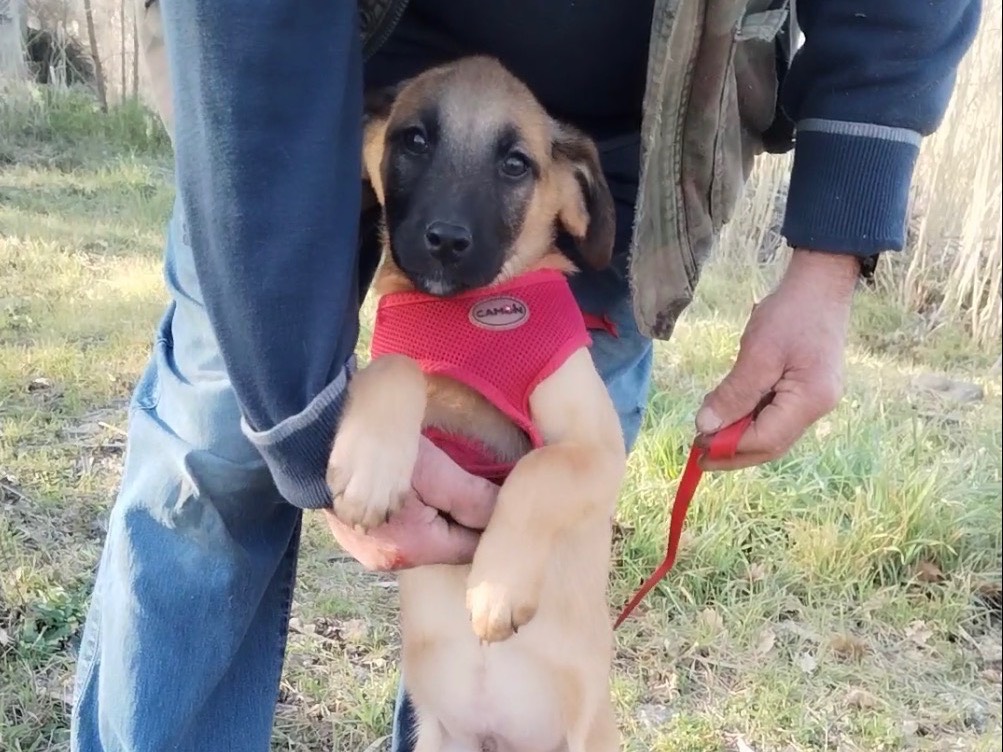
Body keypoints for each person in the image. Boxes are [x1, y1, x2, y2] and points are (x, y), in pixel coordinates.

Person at [70, 1, 981, 751]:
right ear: (376, 154)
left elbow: (579, 459)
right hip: (300, 87)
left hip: (637, 127)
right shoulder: (344, 145)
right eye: (417, 145)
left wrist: (834, 246)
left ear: (565, 203)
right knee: (214, 453)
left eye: (507, 166)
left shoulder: (568, 241)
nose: (451, 223)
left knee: (544, 572)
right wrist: (303, 421)